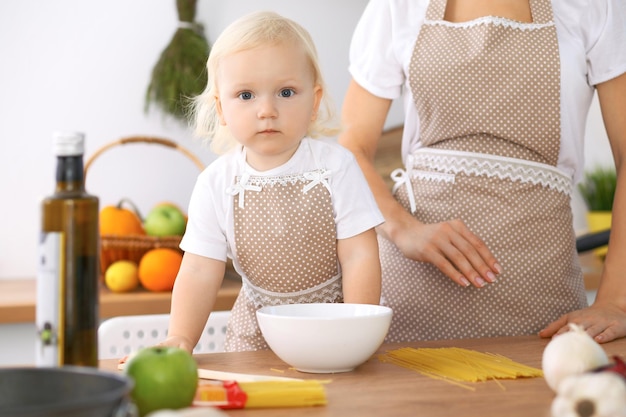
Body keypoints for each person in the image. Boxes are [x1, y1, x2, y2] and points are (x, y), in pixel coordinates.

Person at [338, 0, 626, 343]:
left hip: (541, 293)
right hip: (412, 293)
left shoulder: (596, 6)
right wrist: (403, 229)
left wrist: (615, 301)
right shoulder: (397, 6)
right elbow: (351, 149)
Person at [161, 11, 384, 353]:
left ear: (314, 101)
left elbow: (359, 255)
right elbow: (198, 272)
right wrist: (181, 339)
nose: (267, 110)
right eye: (246, 96)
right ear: (221, 109)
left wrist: (357, 332)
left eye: (286, 92)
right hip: (256, 334)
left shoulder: (336, 167)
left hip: (335, 327)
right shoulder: (216, 183)